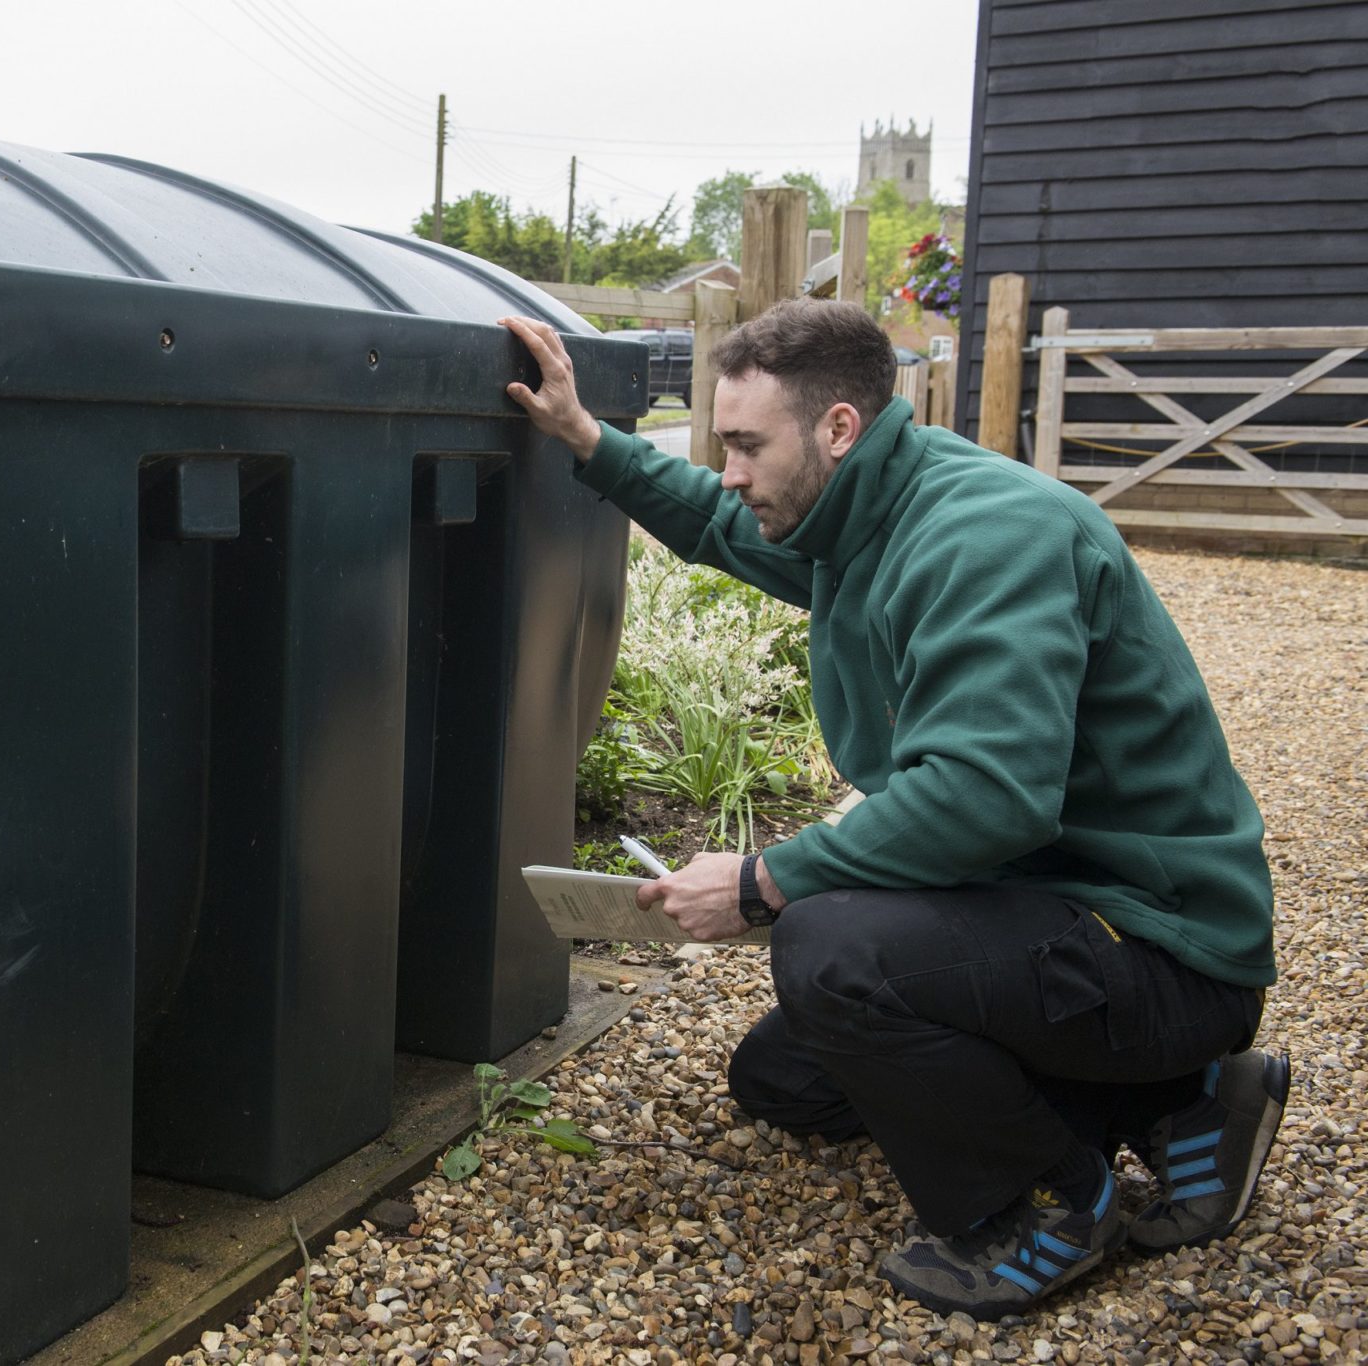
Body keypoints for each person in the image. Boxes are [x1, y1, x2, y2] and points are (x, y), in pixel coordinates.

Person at [499, 302, 1288, 1320]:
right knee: (784, 1079)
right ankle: (1182, 1105)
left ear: (837, 427)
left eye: (747, 445)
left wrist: (760, 881)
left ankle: (1046, 1204)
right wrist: (583, 434)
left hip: (1154, 943)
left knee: (832, 950)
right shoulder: (858, 513)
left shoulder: (985, 535)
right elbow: (714, 521)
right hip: (1037, 908)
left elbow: (986, 795)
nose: (729, 472)